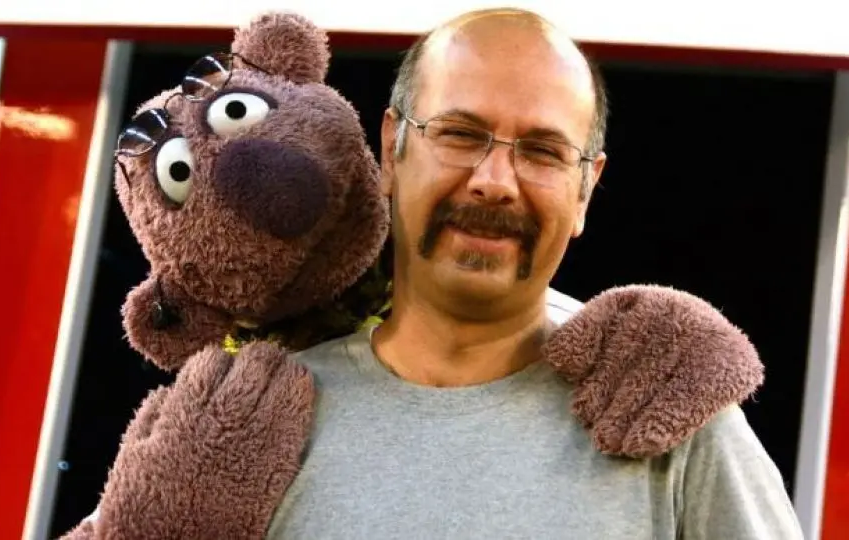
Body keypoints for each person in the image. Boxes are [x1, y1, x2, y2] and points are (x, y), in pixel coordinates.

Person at [263, 7, 804, 540]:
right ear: (391, 149)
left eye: (543, 152)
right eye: (460, 134)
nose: (495, 182)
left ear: (585, 189)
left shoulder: (669, 411)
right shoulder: (269, 418)